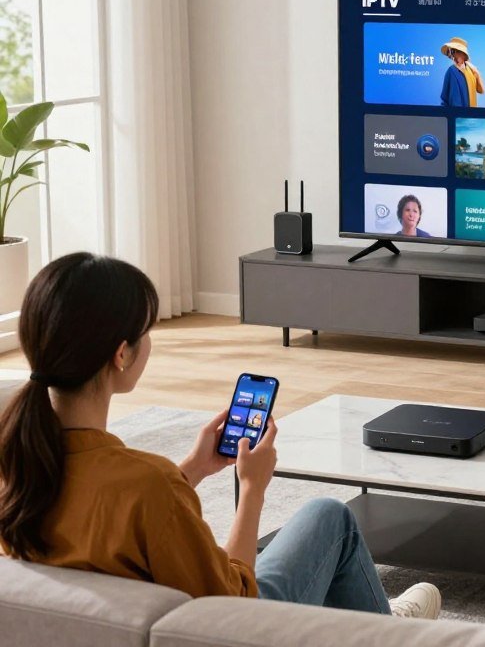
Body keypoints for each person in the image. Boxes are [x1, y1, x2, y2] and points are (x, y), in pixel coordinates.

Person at [0, 253, 441, 618]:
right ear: (121, 354)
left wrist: (190, 470)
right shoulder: (147, 484)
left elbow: (110, 514)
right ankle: (390, 633)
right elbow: (233, 609)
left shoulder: (19, 461)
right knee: (331, 519)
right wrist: (252, 489)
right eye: (146, 331)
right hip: (225, 631)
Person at [439, 37, 484, 107]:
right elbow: (444, 98)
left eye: (452, 51)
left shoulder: (471, 70)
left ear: (462, 53)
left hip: (470, 115)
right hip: (454, 114)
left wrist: (477, 73)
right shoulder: (451, 71)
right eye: (449, 52)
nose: (450, 55)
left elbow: (481, 90)